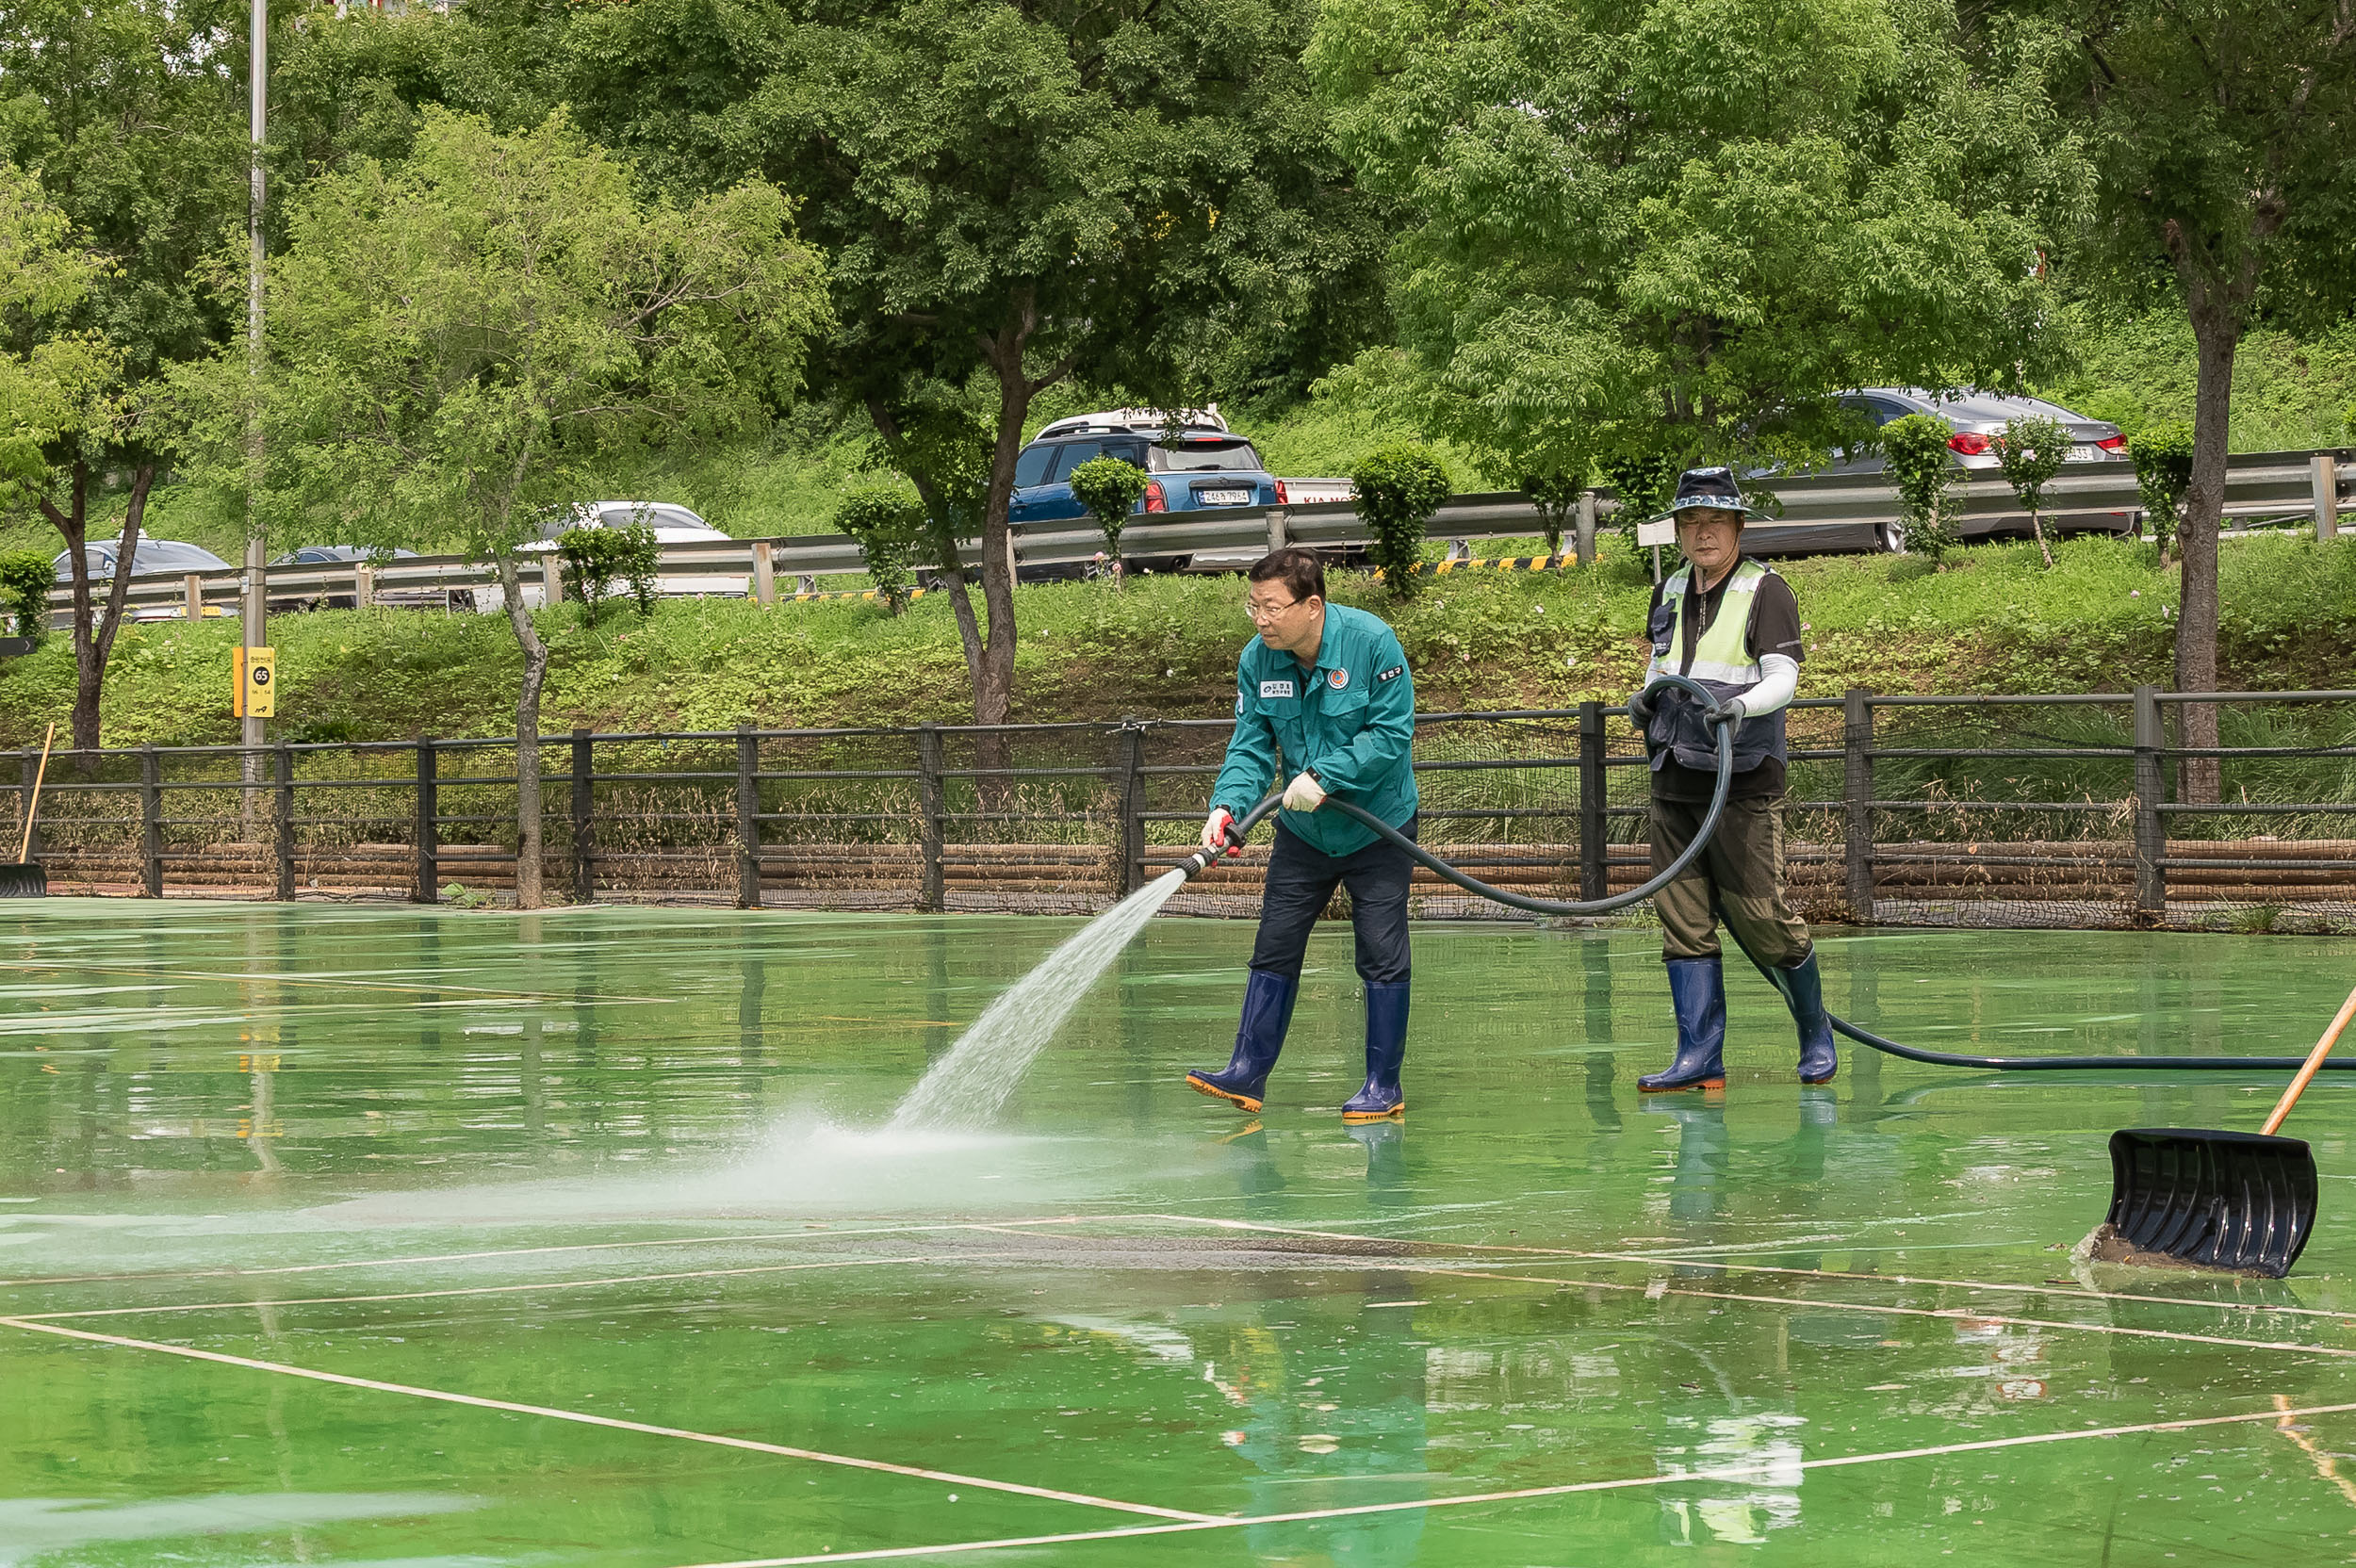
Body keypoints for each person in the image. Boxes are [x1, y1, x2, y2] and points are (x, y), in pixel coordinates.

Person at [1187, 547, 1419, 1121]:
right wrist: (1227, 807)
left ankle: (1382, 1087)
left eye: (1271, 607)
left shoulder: (1372, 644)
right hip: (1303, 831)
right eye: (1253, 606)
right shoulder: (1257, 660)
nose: (1261, 619)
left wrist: (1324, 775)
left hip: (1378, 826)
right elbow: (1249, 746)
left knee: (1381, 954)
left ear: (1312, 606)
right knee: (1275, 945)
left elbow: (1391, 735)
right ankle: (1247, 1072)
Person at [1625, 466, 1835, 1091]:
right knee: (1682, 919)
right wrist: (1642, 699)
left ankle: (1815, 1032)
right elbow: (1661, 665)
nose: (1703, 532)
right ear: (1680, 529)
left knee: (1763, 916)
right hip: (1673, 774)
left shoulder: (1766, 591)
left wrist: (1742, 706)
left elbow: (1782, 678)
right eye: (1691, 521)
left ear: (1738, 526)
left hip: (1739, 778)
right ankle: (1699, 1057)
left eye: (1715, 520)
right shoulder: (1667, 590)